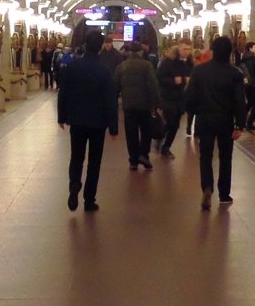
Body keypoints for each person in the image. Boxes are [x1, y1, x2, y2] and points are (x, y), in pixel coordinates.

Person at [57, 29, 119, 211]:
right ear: (100, 46)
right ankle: (89, 199)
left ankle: (74, 185)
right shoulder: (104, 71)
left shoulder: (73, 67)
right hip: (97, 123)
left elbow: (63, 93)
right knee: (94, 160)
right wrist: (113, 127)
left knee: (76, 156)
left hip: (76, 120)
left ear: (84, 45)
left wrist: (61, 116)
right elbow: (110, 100)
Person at [183, 35, 246, 210]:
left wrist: (193, 112)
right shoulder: (235, 73)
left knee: (206, 156)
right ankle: (224, 194)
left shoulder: (199, 71)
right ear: (229, 52)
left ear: (212, 50)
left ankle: (207, 187)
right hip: (225, 120)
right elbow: (239, 101)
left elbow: (190, 96)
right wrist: (240, 124)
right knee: (225, 157)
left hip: (204, 119)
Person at [114, 42, 162, 170]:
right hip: (145, 105)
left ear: (128, 52)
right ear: (140, 52)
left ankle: (133, 160)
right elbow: (153, 85)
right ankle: (144, 155)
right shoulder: (147, 65)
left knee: (131, 133)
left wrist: (113, 102)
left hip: (128, 105)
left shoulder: (121, 67)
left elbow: (115, 87)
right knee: (146, 131)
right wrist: (157, 103)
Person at [155, 40, 194, 158]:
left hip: (181, 98)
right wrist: (173, 81)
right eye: (184, 49)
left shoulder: (189, 63)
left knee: (175, 125)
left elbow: (191, 77)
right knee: (171, 122)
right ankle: (161, 140)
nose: (186, 52)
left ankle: (165, 146)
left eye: (188, 49)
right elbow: (159, 77)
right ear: (178, 49)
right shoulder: (168, 61)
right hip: (168, 96)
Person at [238, 42, 255, 131]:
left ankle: (241, 120)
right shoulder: (253, 59)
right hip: (254, 84)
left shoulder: (243, 58)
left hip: (247, 84)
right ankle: (249, 123)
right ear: (250, 48)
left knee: (249, 103)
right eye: (254, 47)